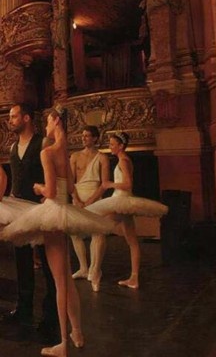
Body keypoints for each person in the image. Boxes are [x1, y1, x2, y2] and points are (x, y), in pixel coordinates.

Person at [1, 106, 116, 357]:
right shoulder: (59, 151)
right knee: (54, 274)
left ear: (54, 121)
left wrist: (40, 189)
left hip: (47, 211)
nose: (47, 127)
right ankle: (72, 330)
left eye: (49, 123)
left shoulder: (46, 148)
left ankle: (61, 335)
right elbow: (70, 185)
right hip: (44, 209)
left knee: (57, 277)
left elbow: (52, 189)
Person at [0, 103, 58, 343]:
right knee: (22, 262)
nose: (10, 120)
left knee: (48, 264)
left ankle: (50, 315)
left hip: (40, 210)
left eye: (14, 116)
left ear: (26, 118)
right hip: (20, 210)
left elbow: (55, 173)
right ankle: (23, 309)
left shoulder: (43, 143)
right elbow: (14, 177)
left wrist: (47, 194)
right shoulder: (13, 147)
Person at [86, 132, 168, 289]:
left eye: (112, 144)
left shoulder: (123, 161)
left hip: (121, 201)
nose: (110, 147)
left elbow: (128, 184)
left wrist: (110, 184)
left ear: (121, 146)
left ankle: (95, 272)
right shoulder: (123, 160)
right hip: (122, 201)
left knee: (100, 230)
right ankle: (134, 278)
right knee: (132, 241)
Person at [69, 125, 109, 292]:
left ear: (95, 138)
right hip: (78, 197)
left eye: (87, 136)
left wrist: (91, 200)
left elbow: (104, 184)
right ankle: (83, 267)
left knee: (97, 232)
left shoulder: (102, 158)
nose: (84, 138)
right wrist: (76, 199)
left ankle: (95, 269)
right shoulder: (75, 156)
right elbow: (71, 181)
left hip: (94, 197)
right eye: (83, 135)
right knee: (74, 233)